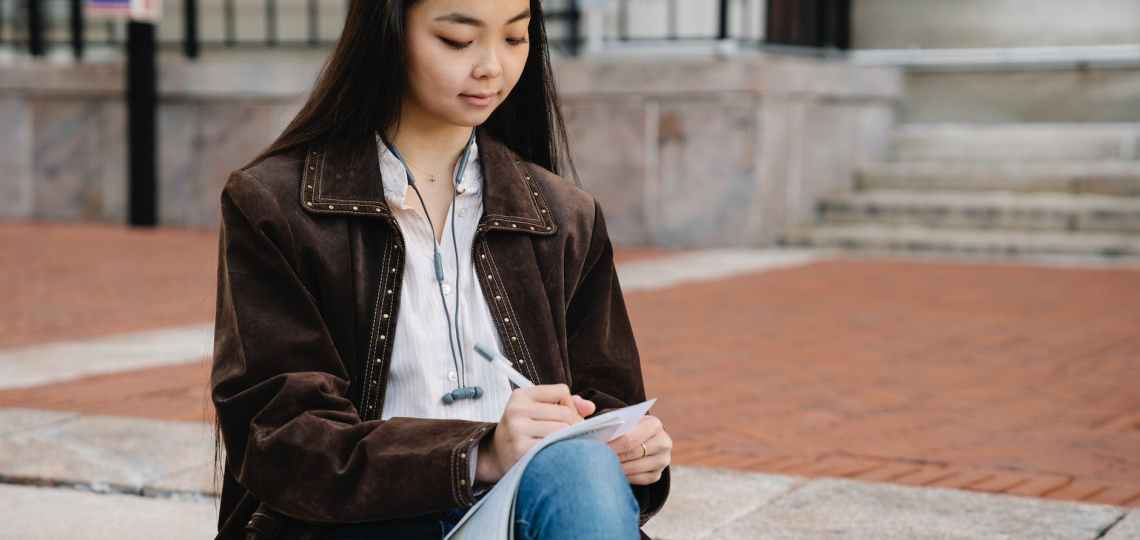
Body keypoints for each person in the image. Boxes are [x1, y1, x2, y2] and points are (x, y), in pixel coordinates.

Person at [210, 1, 671, 539]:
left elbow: (608, 409)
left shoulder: (565, 216)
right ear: (387, 33)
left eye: (515, 39)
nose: (491, 68)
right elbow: (282, 435)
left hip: (517, 515)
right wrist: (479, 453)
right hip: (356, 525)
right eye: (458, 40)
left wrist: (634, 453)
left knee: (582, 469)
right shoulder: (274, 204)